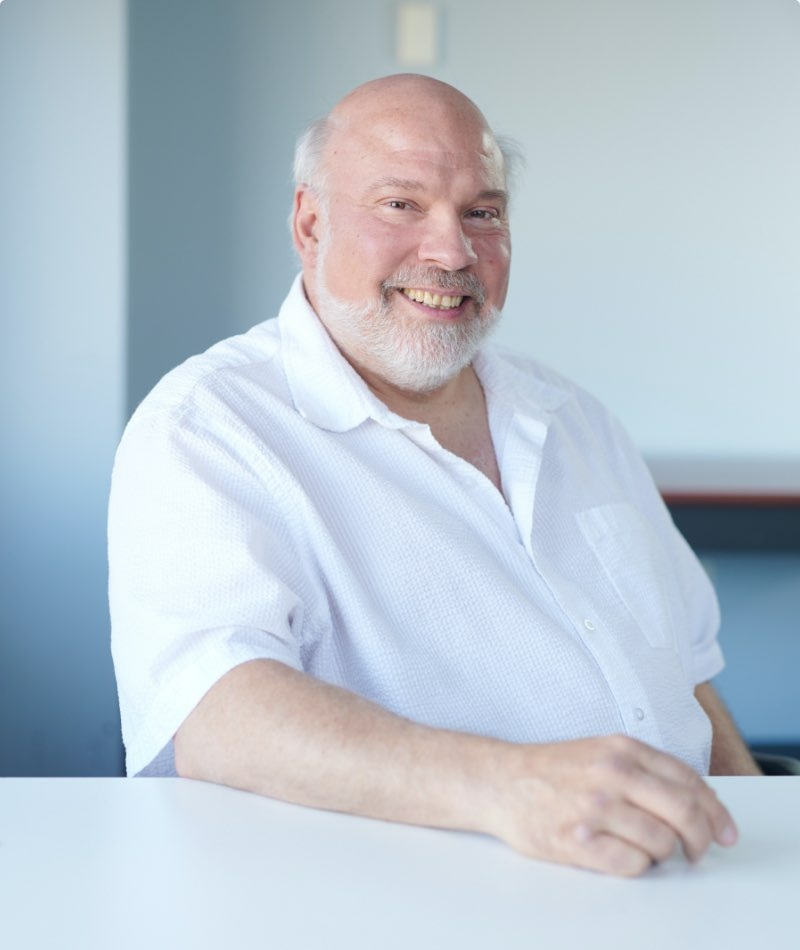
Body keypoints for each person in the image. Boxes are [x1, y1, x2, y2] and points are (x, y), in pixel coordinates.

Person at [109, 73, 760, 878]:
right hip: (397, 910)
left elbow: (687, 678)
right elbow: (213, 711)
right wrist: (510, 786)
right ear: (310, 225)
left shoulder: (574, 418)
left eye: (482, 213)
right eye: (401, 205)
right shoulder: (209, 426)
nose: (452, 252)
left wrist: (760, 842)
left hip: (685, 890)